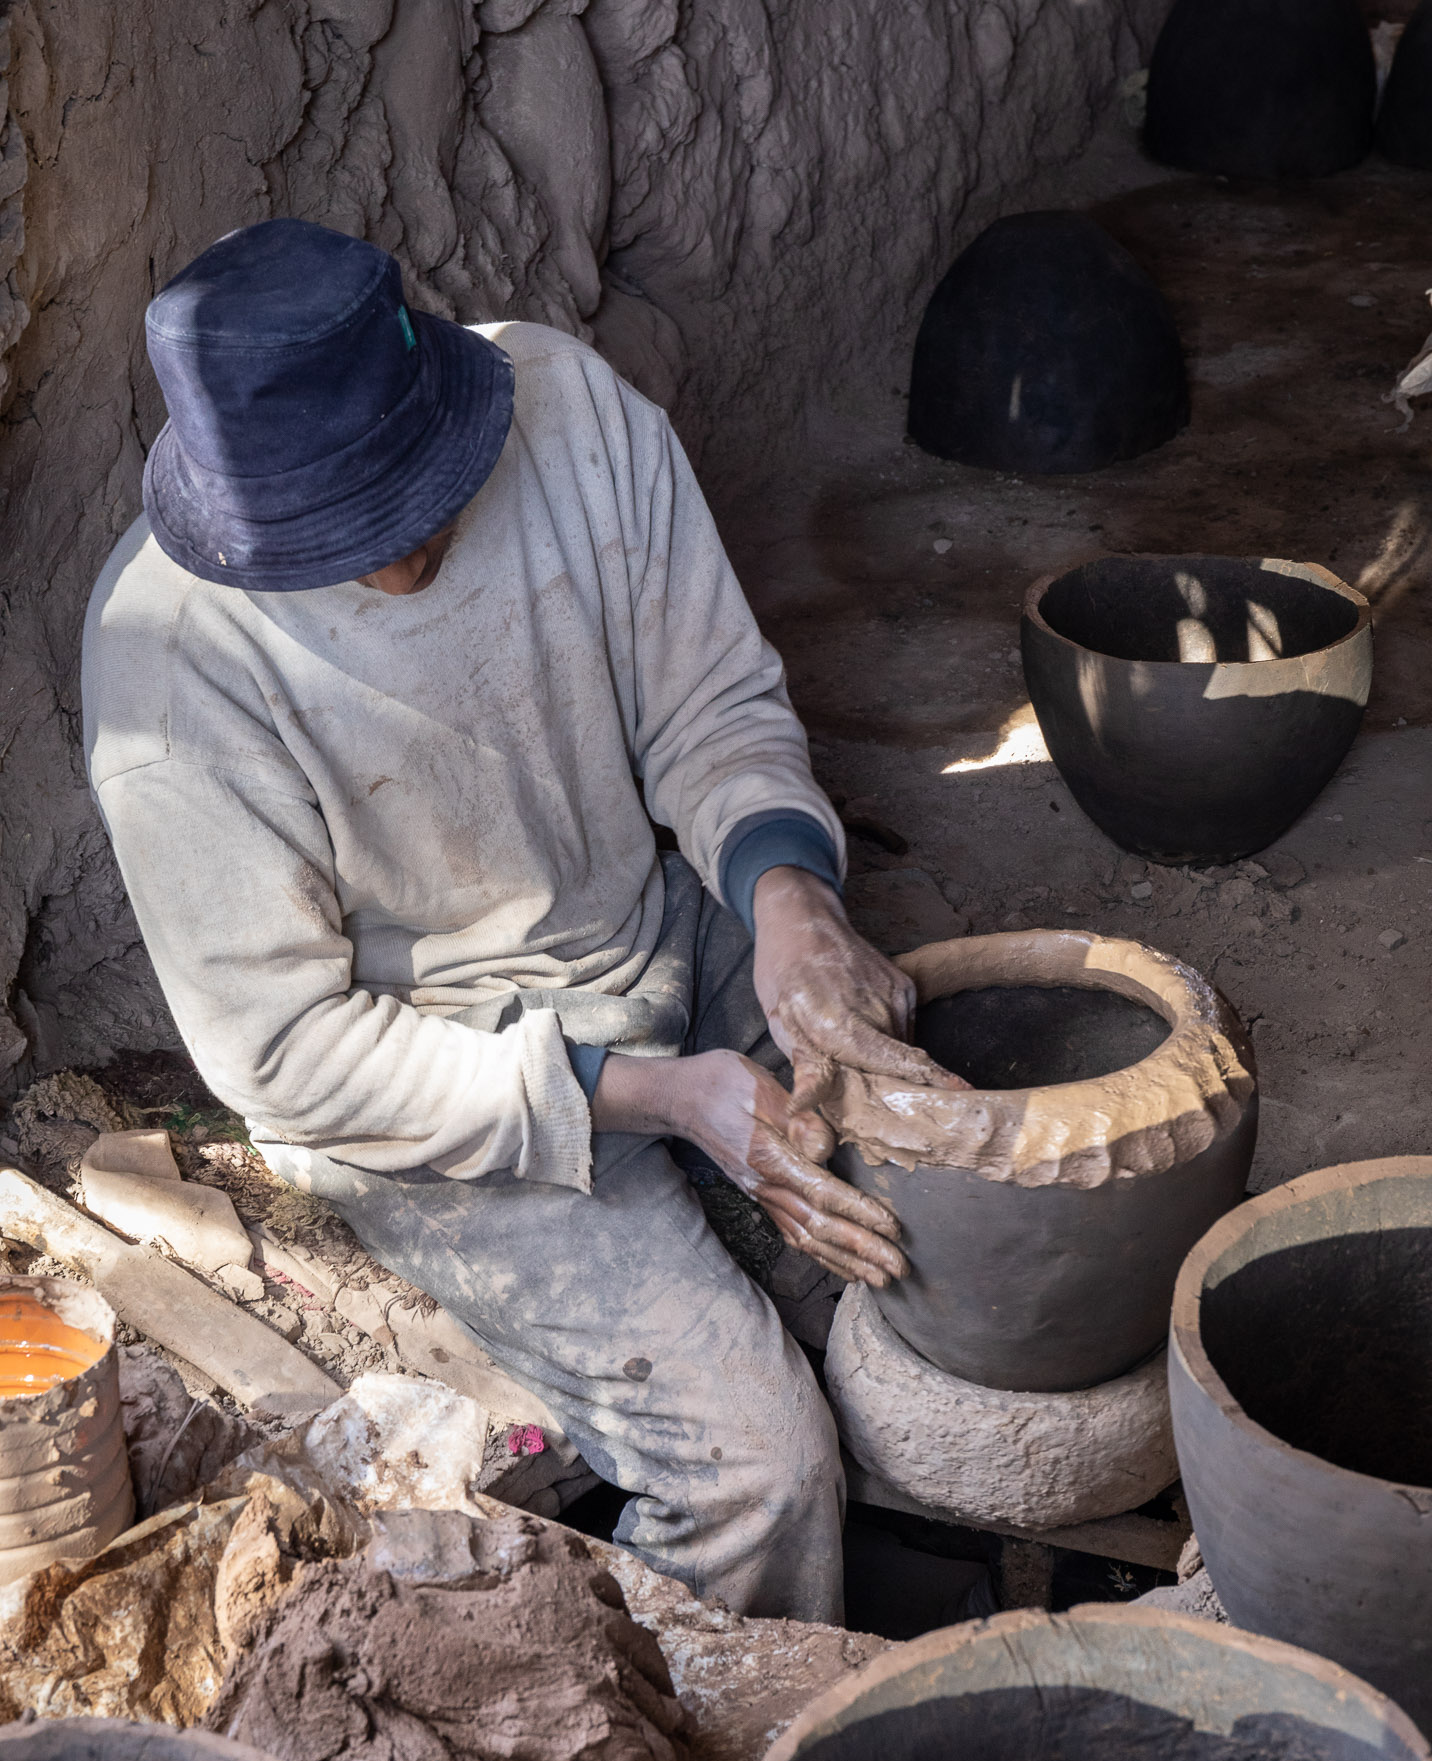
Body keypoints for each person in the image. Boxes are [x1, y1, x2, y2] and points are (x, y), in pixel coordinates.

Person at [82, 218, 947, 1623]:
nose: (406, 559)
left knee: (951, 1192)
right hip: (433, 1089)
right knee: (756, 1470)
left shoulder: (572, 411)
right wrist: (654, 1095)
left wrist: (788, 902)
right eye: (343, 542)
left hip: (656, 932)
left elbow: (711, 707)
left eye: (419, 499)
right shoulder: (169, 667)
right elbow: (290, 1055)